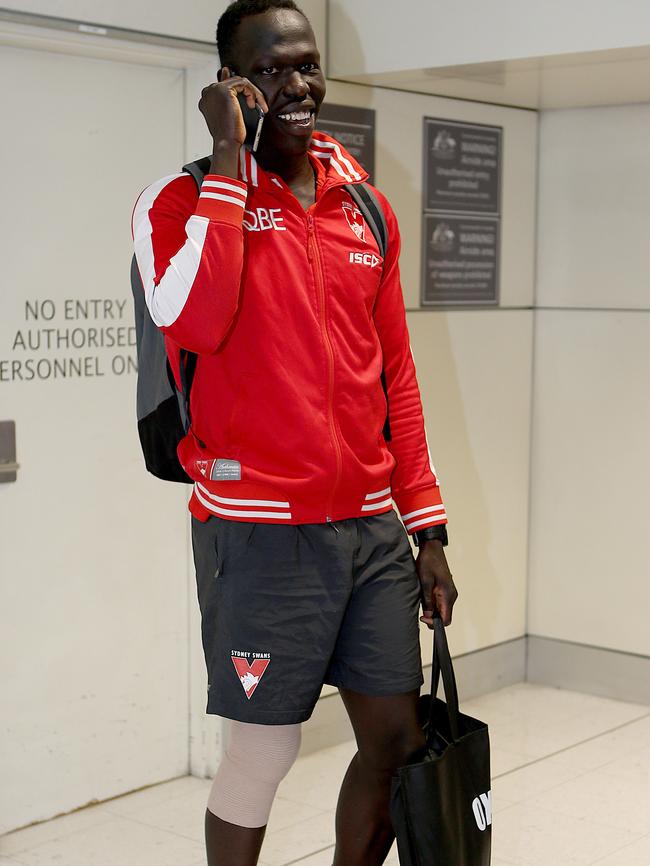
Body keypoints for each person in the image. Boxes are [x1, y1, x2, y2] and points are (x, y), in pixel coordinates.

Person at [131, 1, 458, 864]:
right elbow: (194, 320)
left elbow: (396, 377)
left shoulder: (366, 207)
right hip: (262, 532)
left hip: (370, 528)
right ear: (230, 83)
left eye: (306, 65)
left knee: (393, 736)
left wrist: (426, 527)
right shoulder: (179, 202)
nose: (298, 85)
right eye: (271, 70)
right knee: (266, 749)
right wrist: (234, 162)